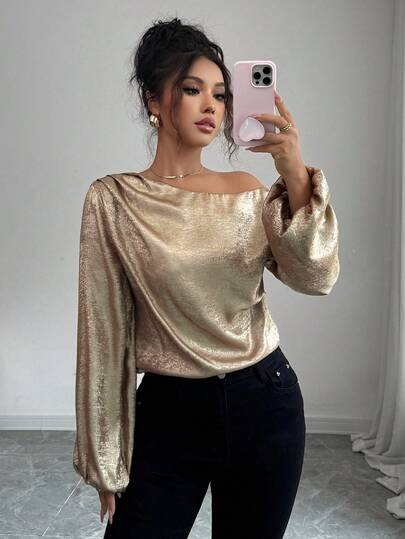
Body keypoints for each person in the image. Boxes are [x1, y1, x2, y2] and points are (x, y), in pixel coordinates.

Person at [72, 16, 340, 539]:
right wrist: (106, 457)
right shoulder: (114, 200)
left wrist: (293, 170)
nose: (211, 106)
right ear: (153, 100)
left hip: (265, 401)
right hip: (169, 411)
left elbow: (316, 275)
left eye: (220, 94)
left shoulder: (247, 190)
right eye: (192, 90)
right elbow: (102, 333)